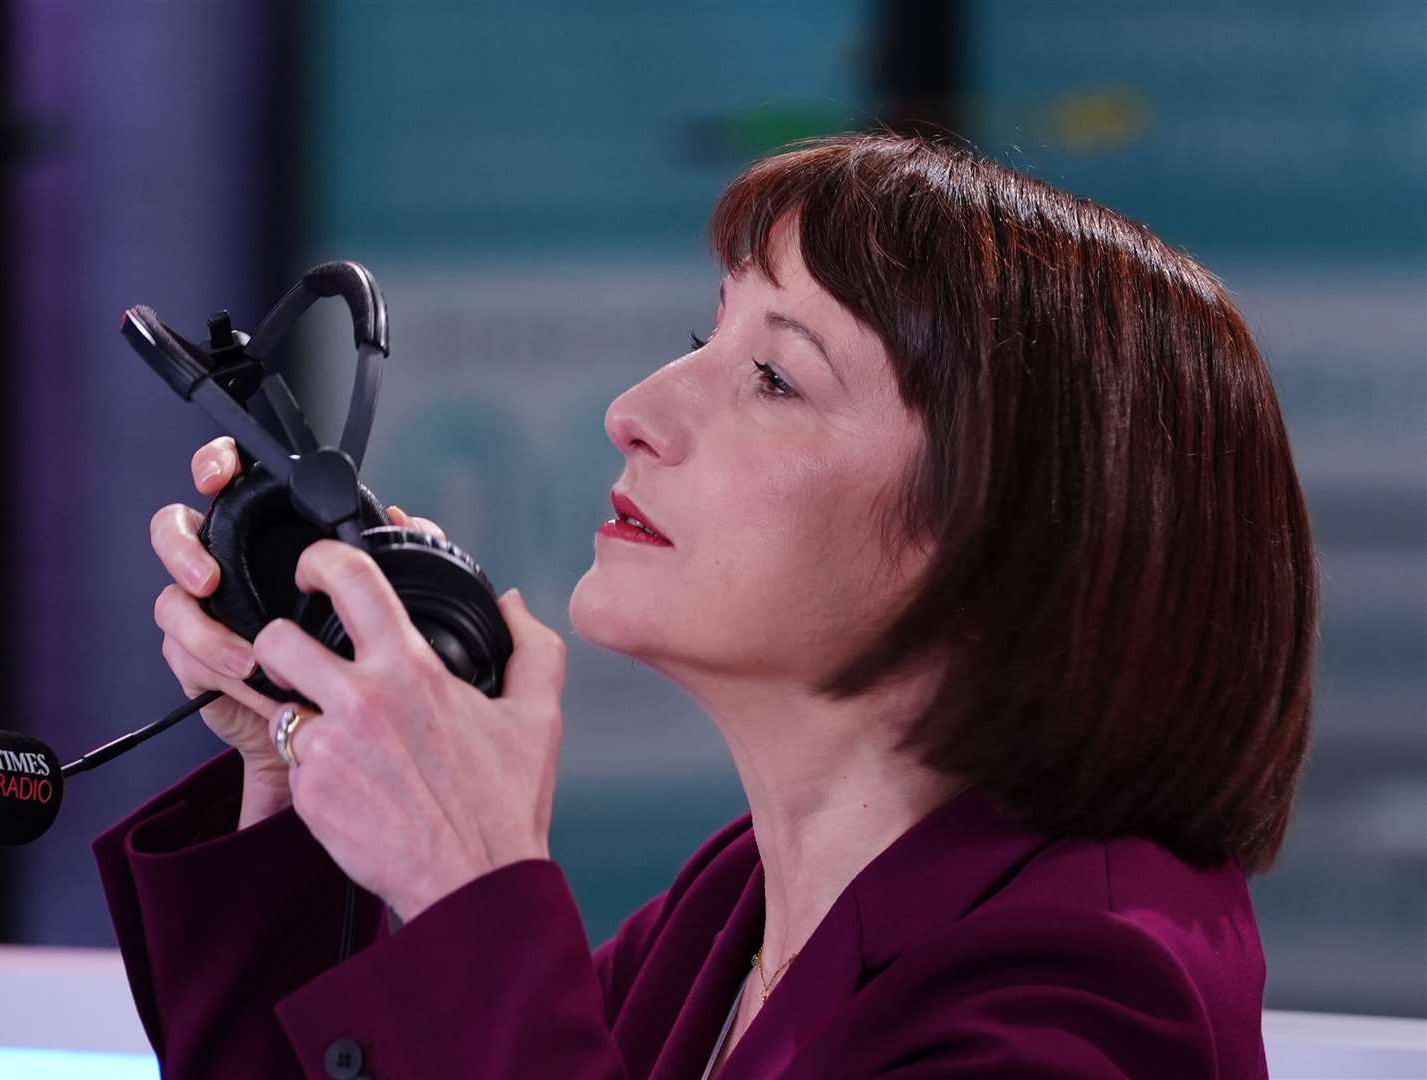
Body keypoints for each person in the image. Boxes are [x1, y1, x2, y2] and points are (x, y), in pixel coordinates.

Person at [97, 132, 1316, 1079]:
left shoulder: (1090, 997)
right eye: (705, 336)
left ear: (1011, 536)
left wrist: (472, 893)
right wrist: (298, 778)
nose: (635, 406)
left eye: (776, 377)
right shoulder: (735, 907)